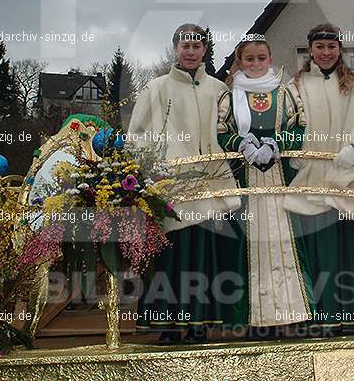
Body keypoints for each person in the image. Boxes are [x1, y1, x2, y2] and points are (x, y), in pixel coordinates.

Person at [128, 23, 245, 343]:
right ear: (175, 49)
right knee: (171, 259)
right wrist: (150, 175)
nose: (191, 52)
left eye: (197, 46)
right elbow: (137, 137)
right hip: (172, 186)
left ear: (205, 50)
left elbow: (232, 131)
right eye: (185, 46)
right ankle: (168, 326)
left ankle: (199, 323)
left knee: (204, 256)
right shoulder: (156, 88)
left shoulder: (219, 89)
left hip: (211, 183)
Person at [282, 23, 354, 332]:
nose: (326, 52)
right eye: (320, 47)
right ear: (310, 50)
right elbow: (288, 125)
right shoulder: (296, 85)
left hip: (351, 176)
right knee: (320, 250)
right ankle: (324, 317)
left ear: (339, 49)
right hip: (312, 179)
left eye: (331, 47)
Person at [218, 34, 314, 337]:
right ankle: (252, 319)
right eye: (249, 59)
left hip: (281, 182)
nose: (256, 64)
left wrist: (276, 145)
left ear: (270, 59)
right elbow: (221, 132)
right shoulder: (230, 96)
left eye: (261, 58)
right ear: (240, 62)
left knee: (286, 243)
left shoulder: (285, 93)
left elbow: (299, 127)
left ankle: (294, 313)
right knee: (249, 245)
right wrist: (241, 144)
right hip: (246, 185)